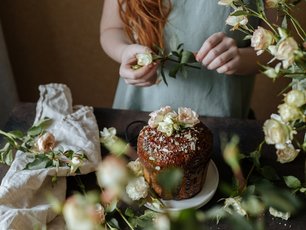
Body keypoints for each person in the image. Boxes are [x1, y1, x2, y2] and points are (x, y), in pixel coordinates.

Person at [100, 0, 271, 118]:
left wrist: (241, 59)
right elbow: (112, 29)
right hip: (138, 111)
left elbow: (277, 50)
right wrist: (124, 52)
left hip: (219, 116)